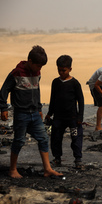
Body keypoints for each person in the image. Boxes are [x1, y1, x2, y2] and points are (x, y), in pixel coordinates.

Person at [0, 45, 63, 178]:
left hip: (34, 113)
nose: (40, 69)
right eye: (38, 66)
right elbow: (4, 91)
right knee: (19, 140)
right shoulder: (16, 73)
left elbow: (37, 90)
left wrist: (39, 108)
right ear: (30, 61)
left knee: (44, 138)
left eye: (41, 67)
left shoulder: (37, 73)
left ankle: (47, 169)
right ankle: (12, 170)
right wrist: (3, 108)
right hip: (21, 113)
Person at [45, 55, 84, 168]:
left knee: (76, 138)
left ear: (70, 69)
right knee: (56, 138)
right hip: (58, 117)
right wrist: (49, 113)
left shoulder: (75, 83)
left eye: (64, 70)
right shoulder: (55, 82)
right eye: (59, 70)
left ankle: (78, 159)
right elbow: (53, 99)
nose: (61, 72)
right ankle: (57, 158)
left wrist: (80, 117)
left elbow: (81, 100)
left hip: (72, 117)